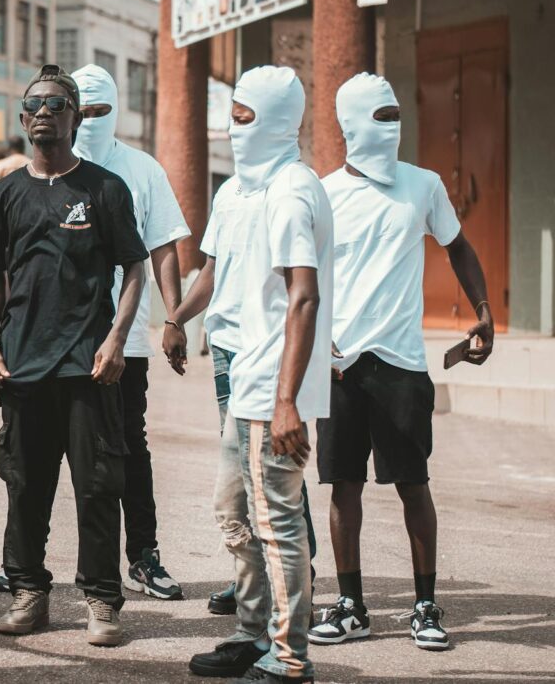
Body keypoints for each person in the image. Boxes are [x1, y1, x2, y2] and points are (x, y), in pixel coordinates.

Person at [309, 73, 493, 651]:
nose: (390, 128)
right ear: (349, 125)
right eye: (379, 117)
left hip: (403, 364)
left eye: (396, 116)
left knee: (414, 486)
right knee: (344, 487)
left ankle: (425, 605)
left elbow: (458, 245)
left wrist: (483, 312)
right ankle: (351, 605)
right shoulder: (322, 193)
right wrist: (315, 345)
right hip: (339, 364)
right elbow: (299, 277)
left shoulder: (424, 186)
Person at [0, 64, 150, 646]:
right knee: (25, 485)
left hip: (88, 366)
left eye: (57, 103)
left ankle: (102, 601)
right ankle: (29, 592)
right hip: (21, 367)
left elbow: (135, 269)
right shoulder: (3, 195)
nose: (45, 111)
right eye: (35, 104)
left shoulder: (105, 189)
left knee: (98, 487)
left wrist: (117, 338)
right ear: (24, 120)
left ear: (75, 118)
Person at [185, 66, 332, 683]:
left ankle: (291, 658)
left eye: (244, 118)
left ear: (274, 122)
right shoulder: (244, 189)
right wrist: (177, 319)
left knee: (277, 524)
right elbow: (220, 272)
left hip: (274, 387)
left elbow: (304, 297)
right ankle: (250, 634)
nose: (232, 129)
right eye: (232, 116)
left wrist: (287, 400)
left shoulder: (293, 191)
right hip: (246, 377)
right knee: (235, 515)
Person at [72, 63, 190, 599]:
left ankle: (143, 557)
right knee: (46, 450)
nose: (91, 121)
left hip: (125, 339)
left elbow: (164, 245)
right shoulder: (52, 169)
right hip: (59, 338)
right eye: (84, 112)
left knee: (128, 450)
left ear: (115, 111)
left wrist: (175, 317)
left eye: (101, 112)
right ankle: (24, 562)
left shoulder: (141, 170)